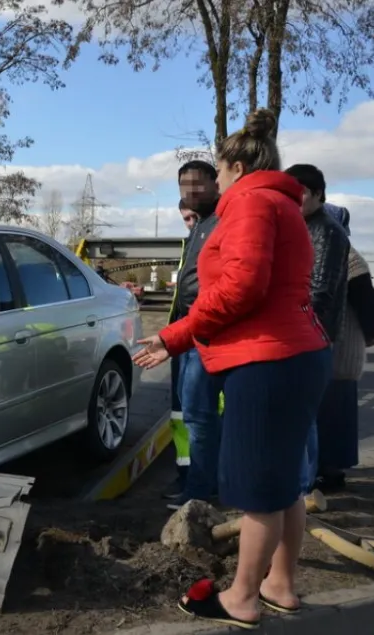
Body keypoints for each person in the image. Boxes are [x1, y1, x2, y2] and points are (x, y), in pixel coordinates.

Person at [133, 109, 332, 630]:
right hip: (297, 353)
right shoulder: (278, 204)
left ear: (238, 167)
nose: (215, 182)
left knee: (256, 486)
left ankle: (241, 597)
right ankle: (280, 584)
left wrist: (176, 335)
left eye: (218, 172)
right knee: (284, 482)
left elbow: (241, 288)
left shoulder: (247, 205)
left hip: (267, 360)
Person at [285, 164, 350, 498]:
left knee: (302, 414)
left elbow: (320, 293)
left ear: (318, 194)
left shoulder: (326, 231)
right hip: (300, 334)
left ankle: (301, 486)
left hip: (311, 336)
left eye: (301, 194)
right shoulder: (302, 226)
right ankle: (299, 483)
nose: (293, 200)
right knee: (297, 413)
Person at [163, 163, 224, 510]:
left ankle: (201, 492)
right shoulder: (200, 228)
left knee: (200, 414)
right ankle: (195, 484)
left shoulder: (220, 223)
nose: (190, 192)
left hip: (205, 333)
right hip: (188, 331)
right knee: (188, 412)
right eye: (184, 186)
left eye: (197, 185)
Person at [316, 247, 374, 492]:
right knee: (334, 417)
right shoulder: (347, 257)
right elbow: (371, 307)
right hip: (337, 351)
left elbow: (367, 303)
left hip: (335, 351)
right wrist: (370, 332)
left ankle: (327, 473)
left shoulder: (346, 258)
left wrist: (369, 331)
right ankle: (328, 472)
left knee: (329, 415)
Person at [163, 198, 202, 500]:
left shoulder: (211, 237)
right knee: (179, 413)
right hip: (183, 338)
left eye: (193, 217)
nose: (190, 223)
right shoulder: (190, 242)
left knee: (202, 413)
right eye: (185, 219)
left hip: (201, 337)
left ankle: (203, 480)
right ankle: (186, 475)